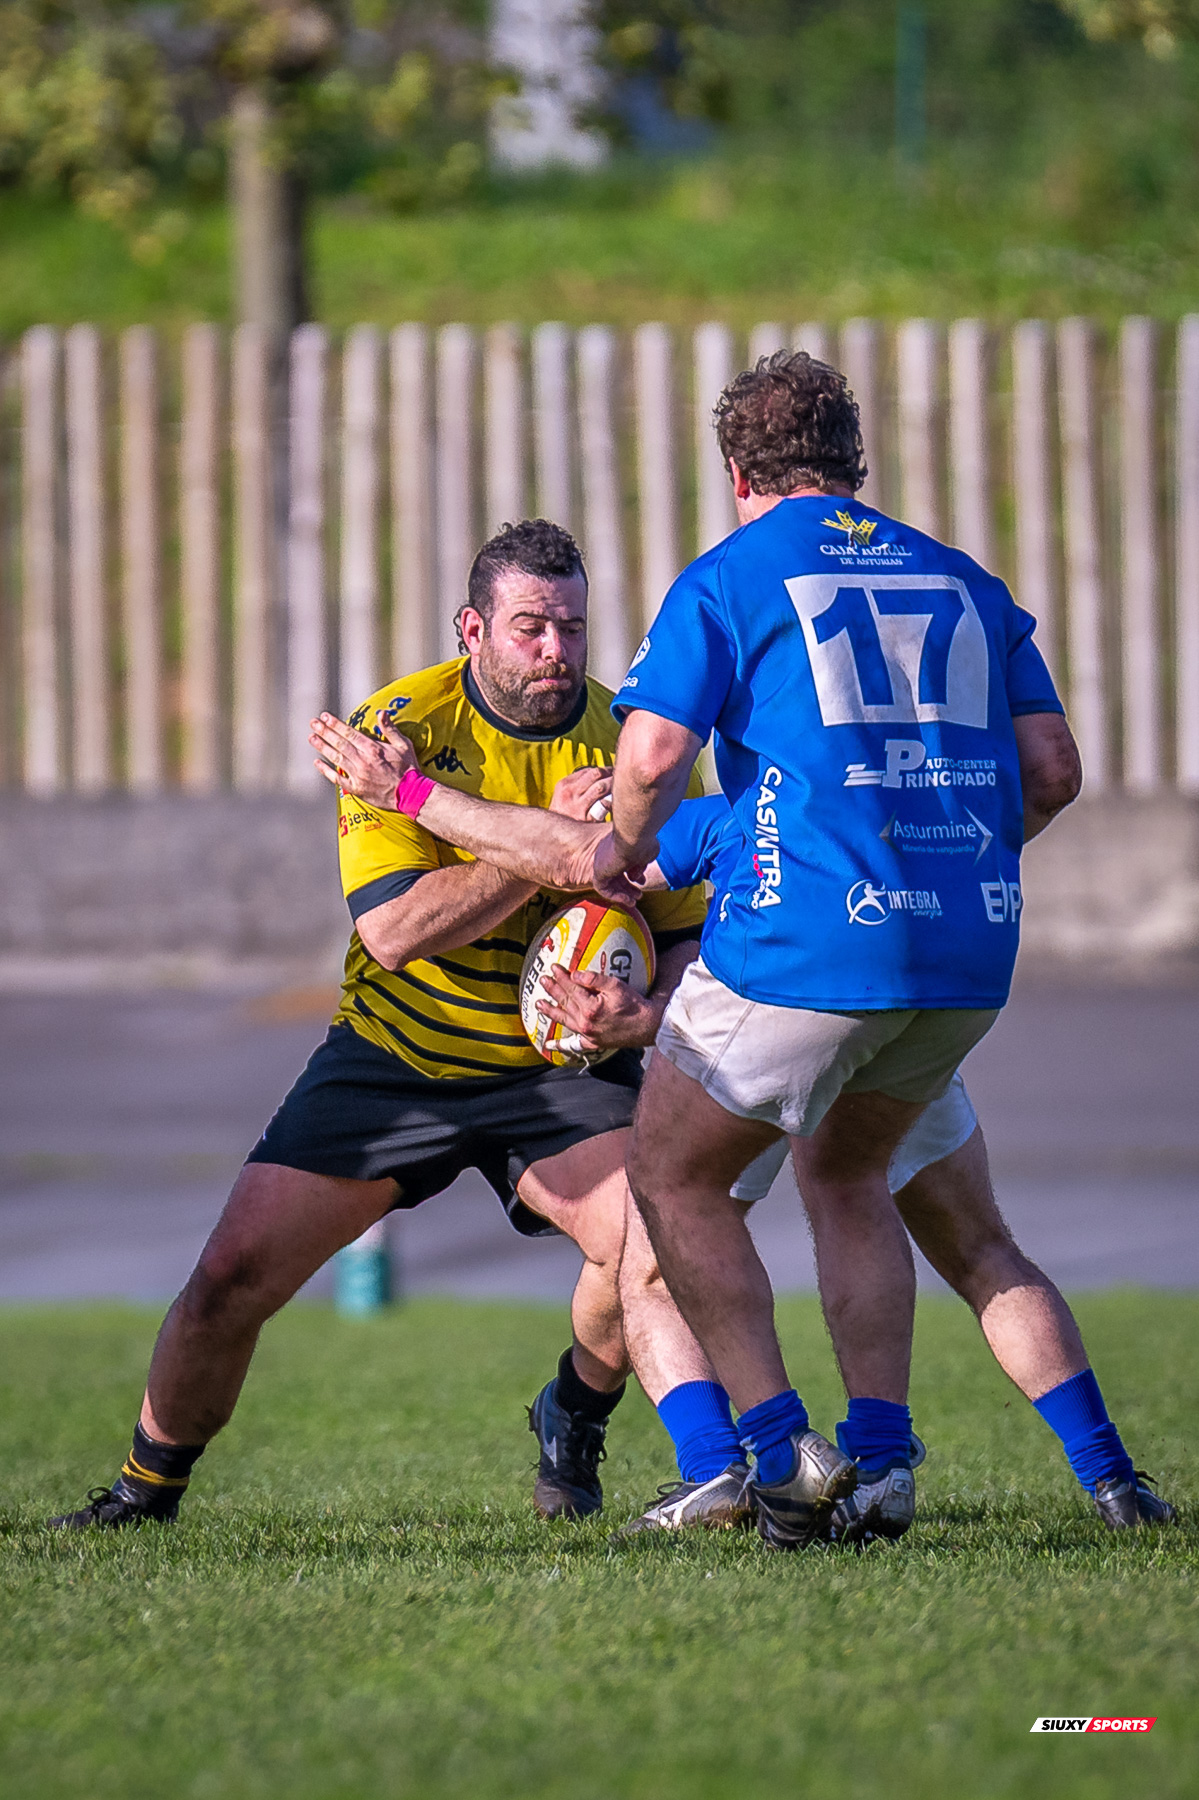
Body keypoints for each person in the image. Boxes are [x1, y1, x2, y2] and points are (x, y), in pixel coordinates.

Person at [335, 353, 1175, 1545]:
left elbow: (646, 762)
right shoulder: (961, 579)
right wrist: (947, 859)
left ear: (738, 470)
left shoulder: (733, 580)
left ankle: (773, 1458)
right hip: (960, 958)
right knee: (868, 1186)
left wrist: (618, 842)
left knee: (669, 1183)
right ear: (853, 462)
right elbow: (1052, 772)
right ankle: (919, 1468)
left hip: (809, 949)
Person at [49, 518, 709, 1531]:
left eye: (573, 628)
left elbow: (681, 932)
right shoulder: (398, 730)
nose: (556, 651)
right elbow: (396, 932)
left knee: (651, 1245)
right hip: (396, 1055)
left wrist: (640, 1007)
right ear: (471, 629)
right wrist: (554, 846)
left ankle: (574, 1411)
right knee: (229, 1277)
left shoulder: (633, 746)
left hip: (558, 1069)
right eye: (531, 627)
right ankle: (143, 1495)